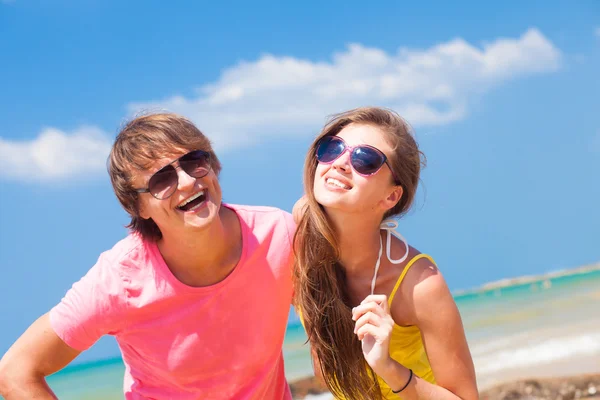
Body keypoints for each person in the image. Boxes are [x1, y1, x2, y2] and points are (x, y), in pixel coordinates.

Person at [0, 113, 295, 399]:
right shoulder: (118, 280)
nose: (187, 181)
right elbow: (15, 372)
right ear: (139, 207)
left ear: (213, 165)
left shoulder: (278, 234)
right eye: (161, 179)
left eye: (194, 161)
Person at [292, 107, 478, 400]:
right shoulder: (298, 242)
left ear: (390, 196)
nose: (340, 163)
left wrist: (387, 366)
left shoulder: (418, 285)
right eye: (333, 148)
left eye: (365, 160)